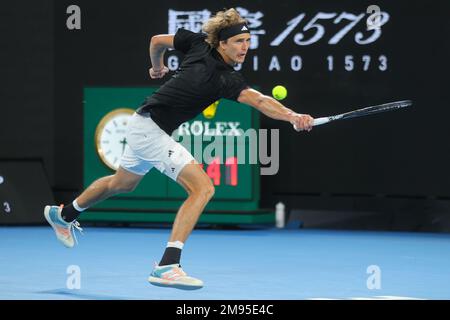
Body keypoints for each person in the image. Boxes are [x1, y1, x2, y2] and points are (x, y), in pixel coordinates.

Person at [44, 8, 314, 290]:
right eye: (238, 42)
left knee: (121, 183)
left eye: (247, 41)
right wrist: (158, 67)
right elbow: (156, 40)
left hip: (144, 125)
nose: (245, 47)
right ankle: (167, 265)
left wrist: (293, 116)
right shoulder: (199, 45)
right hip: (150, 129)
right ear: (222, 43)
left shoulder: (226, 77)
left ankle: (63, 215)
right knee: (203, 188)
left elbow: (260, 101)